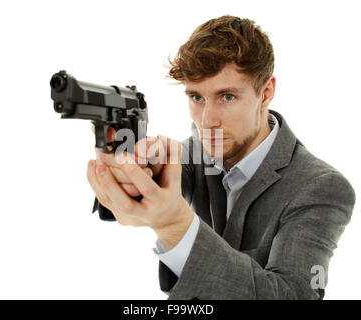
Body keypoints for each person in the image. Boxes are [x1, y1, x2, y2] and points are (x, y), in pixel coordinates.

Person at [87, 15, 356, 299]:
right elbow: (148, 186)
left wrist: (175, 226)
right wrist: (125, 166)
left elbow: (293, 295)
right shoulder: (194, 155)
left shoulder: (322, 188)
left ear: (266, 93)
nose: (208, 120)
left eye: (227, 97)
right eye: (197, 98)